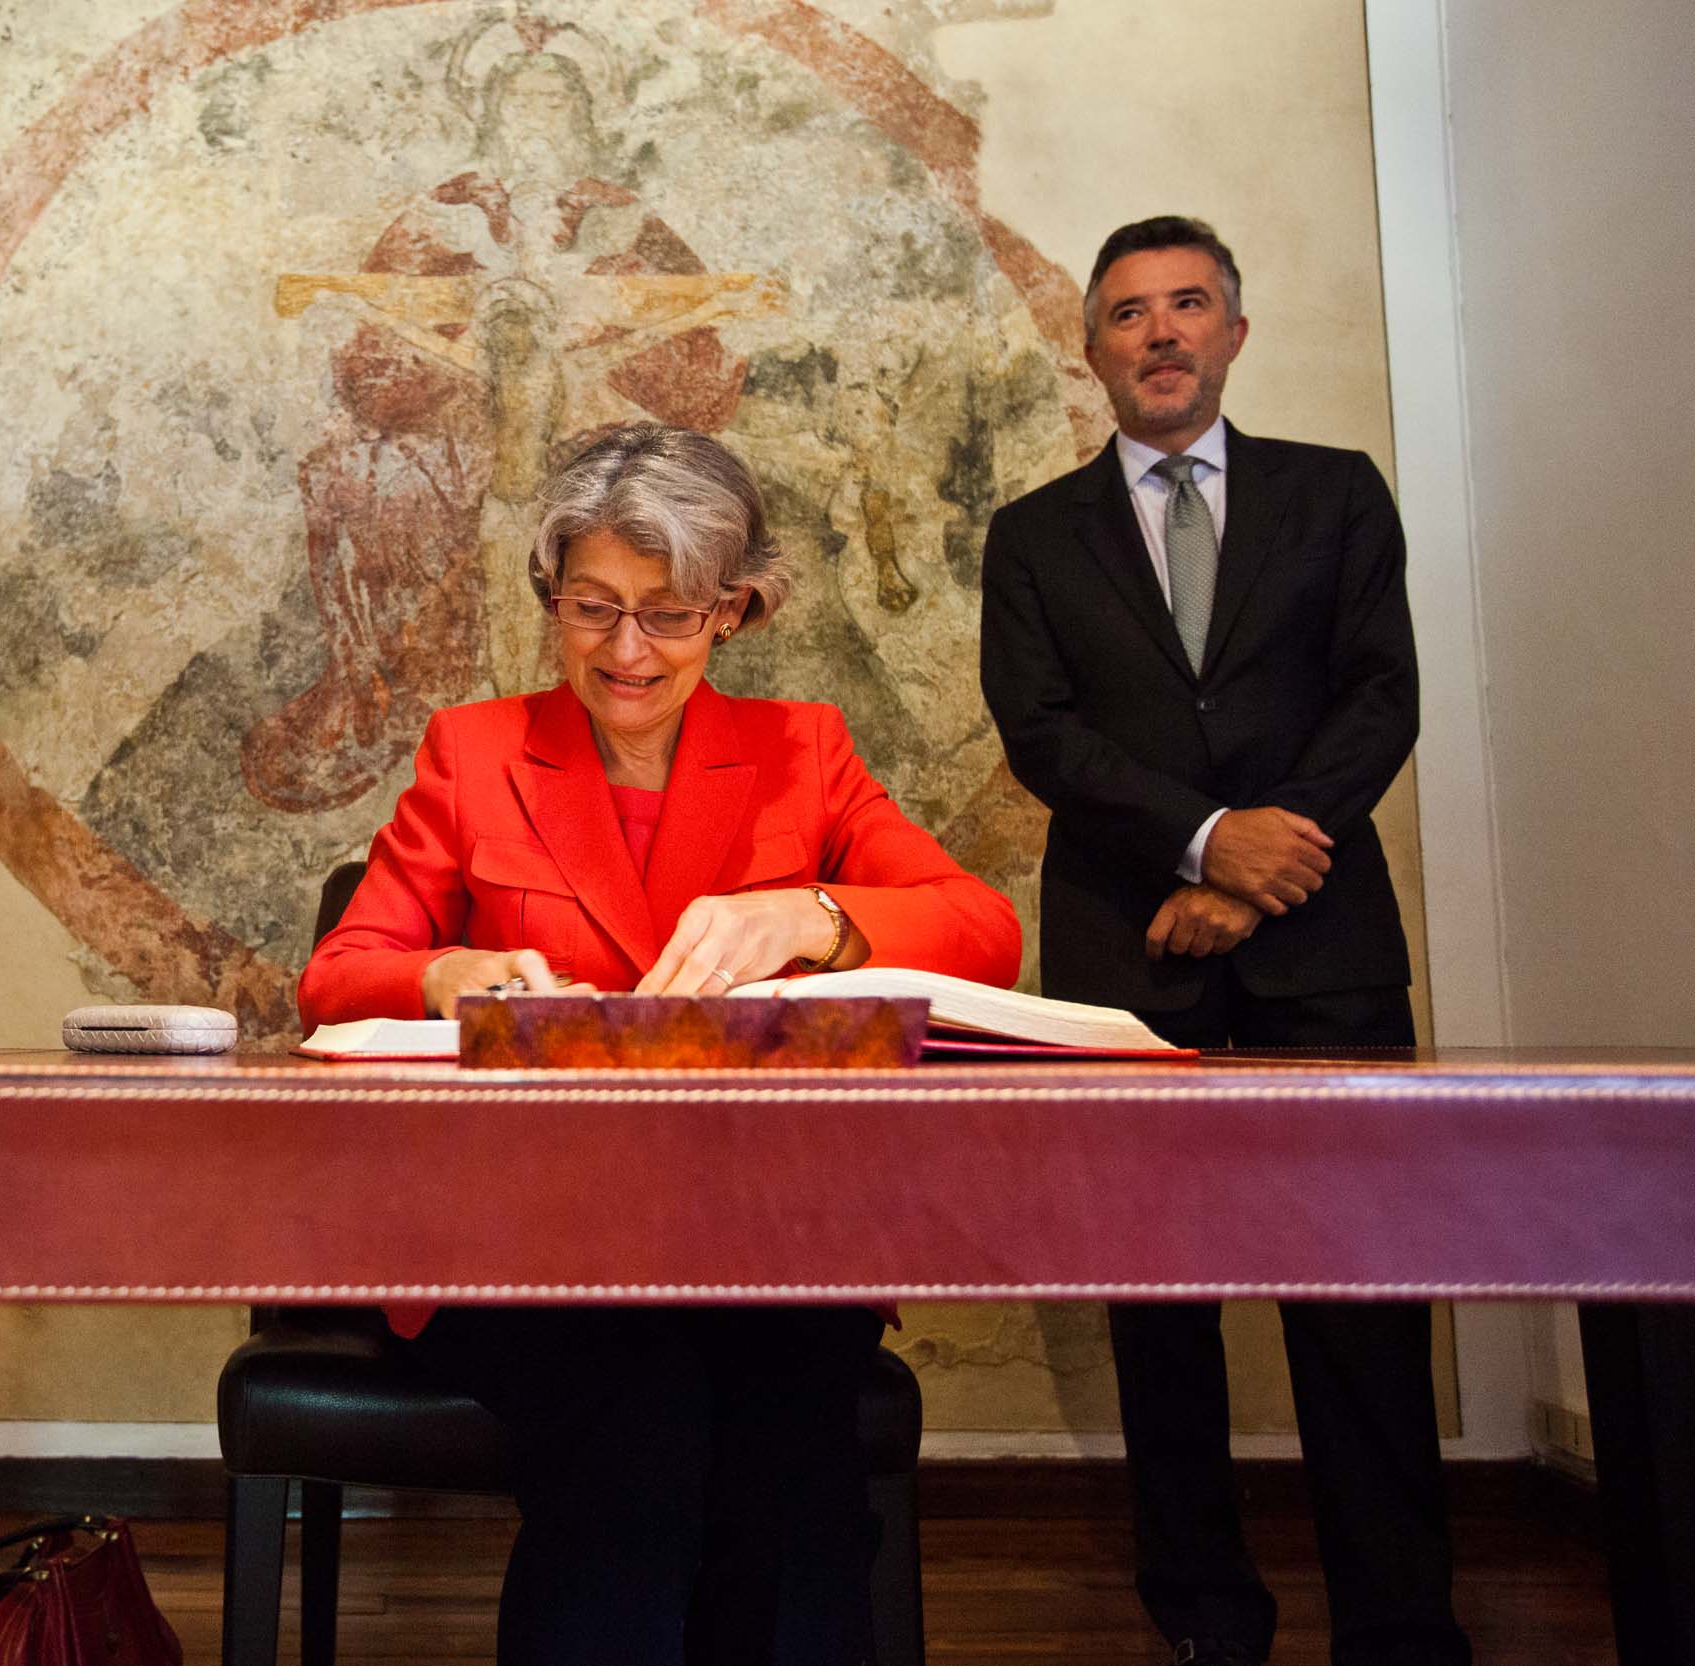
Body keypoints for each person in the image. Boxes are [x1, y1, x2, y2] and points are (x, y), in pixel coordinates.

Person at [301, 423, 1020, 1666]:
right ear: (551, 594)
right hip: (522, 1236)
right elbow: (334, 978)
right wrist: (444, 971)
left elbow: (985, 932)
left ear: (732, 610)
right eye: (593, 607)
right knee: (632, 1426)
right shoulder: (474, 751)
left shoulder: (803, 750)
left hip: (763, 1231)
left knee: (787, 1450)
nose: (626, 651)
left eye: (670, 614)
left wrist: (813, 915)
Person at [978, 217, 1464, 1666]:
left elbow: (1381, 693)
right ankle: (1203, 1616)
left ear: (1234, 332)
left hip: (1323, 944)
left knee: (1361, 1295)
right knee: (1161, 1306)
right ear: (1092, 350)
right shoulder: (1034, 535)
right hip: (1129, 952)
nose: (1162, 332)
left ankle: (1399, 1624)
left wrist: (1254, 874)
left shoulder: (1336, 494)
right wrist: (1199, 842)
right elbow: (1041, 731)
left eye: (1188, 303)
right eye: (1129, 312)